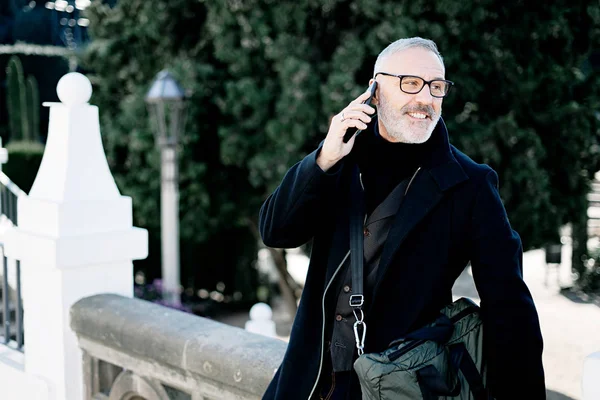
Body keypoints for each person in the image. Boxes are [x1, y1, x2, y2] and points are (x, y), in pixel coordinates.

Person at [258, 37, 545, 400]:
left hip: (401, 384)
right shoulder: (339, 158)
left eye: (436, 87)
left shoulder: (469, 184)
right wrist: (323, 159)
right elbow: (276, 231)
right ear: (375, 91)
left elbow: (509, 307)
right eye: (410, 82)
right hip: (311, 382)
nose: (425, 98)